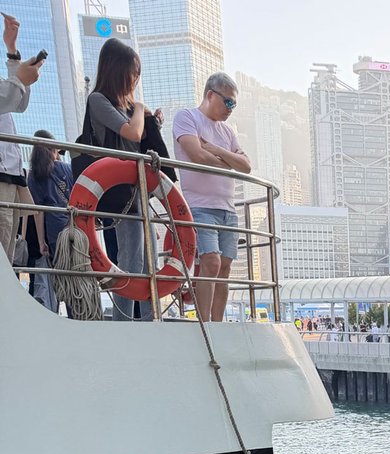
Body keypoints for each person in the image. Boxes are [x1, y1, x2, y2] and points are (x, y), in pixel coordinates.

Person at [86, 38, 160, 320]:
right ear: (117, 70)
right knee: (132, 258)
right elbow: (132, 134)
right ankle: (125, 322)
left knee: (149, 259)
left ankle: (150, 318)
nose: (135, 78)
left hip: (137, 190)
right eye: (133, 72)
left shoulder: (125, 107)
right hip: (118, 191)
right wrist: (140, 109)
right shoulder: (98, 100)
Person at [173, 73, 250, 322]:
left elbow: (246, 166)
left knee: (225, 267)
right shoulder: (187, 118)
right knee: (211, 262)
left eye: (234, 104)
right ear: (210, 95)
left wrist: (217, 150)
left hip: (227, 208)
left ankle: (218, 324)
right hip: (200, 205)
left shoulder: (227, 132)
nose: (230, 109)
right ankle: (204, 324)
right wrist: (229, 159)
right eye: (227, 102)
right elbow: (197, 155)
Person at [0, 14, 43, 265]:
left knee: (7, 260)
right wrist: (19, 79)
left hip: (10, 176)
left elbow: (16, 103)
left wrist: (12, 53)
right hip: (3, 176)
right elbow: (10, 98)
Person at [26, 130, 73, 311]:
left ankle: (61, 312)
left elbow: (38, 211)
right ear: (53, 149)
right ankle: (77, 312)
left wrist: (41, 241)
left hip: (54, 231)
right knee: (76, 272)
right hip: (75, 226)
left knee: (61, 274)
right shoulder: (66, 169)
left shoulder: (34, 175)